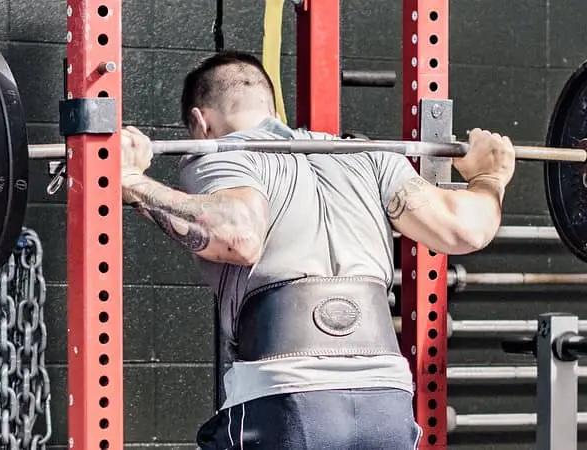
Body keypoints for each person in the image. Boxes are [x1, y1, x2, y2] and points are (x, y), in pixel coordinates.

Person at [119, 51, 515, 449]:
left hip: (288, 400)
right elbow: (466, 230)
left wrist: (131, 180)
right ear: (271, 107)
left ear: (201, 122)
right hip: (386, 402)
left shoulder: (225, 153)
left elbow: (238, 235)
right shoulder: (367, 156)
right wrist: (489, 177)